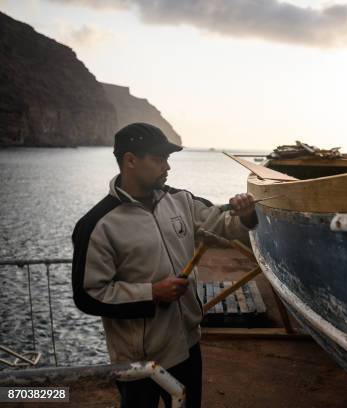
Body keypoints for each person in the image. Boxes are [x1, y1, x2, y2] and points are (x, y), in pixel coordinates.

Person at [71, 123, 257, 407]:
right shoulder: (97, 224)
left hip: (187, 345)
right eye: (158, 159)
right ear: (130, 160)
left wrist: (245, 216)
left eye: (167, 159)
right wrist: (152, 292)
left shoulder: (181, 200)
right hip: (137, 359)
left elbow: (223, 226)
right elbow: (88, 294)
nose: (167, 167)